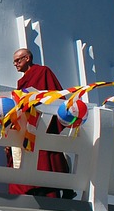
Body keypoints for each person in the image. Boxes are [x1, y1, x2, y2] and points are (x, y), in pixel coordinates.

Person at [8, 48, 71, 198]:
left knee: (48, 154)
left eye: (18, 60)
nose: (15, 64)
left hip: (43, 120)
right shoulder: (21, 82)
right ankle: (34, 187)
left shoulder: (42, 72)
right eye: (14, 62)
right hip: (28, 123)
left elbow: (55, 95)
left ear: (27, 58)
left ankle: (57, 187)